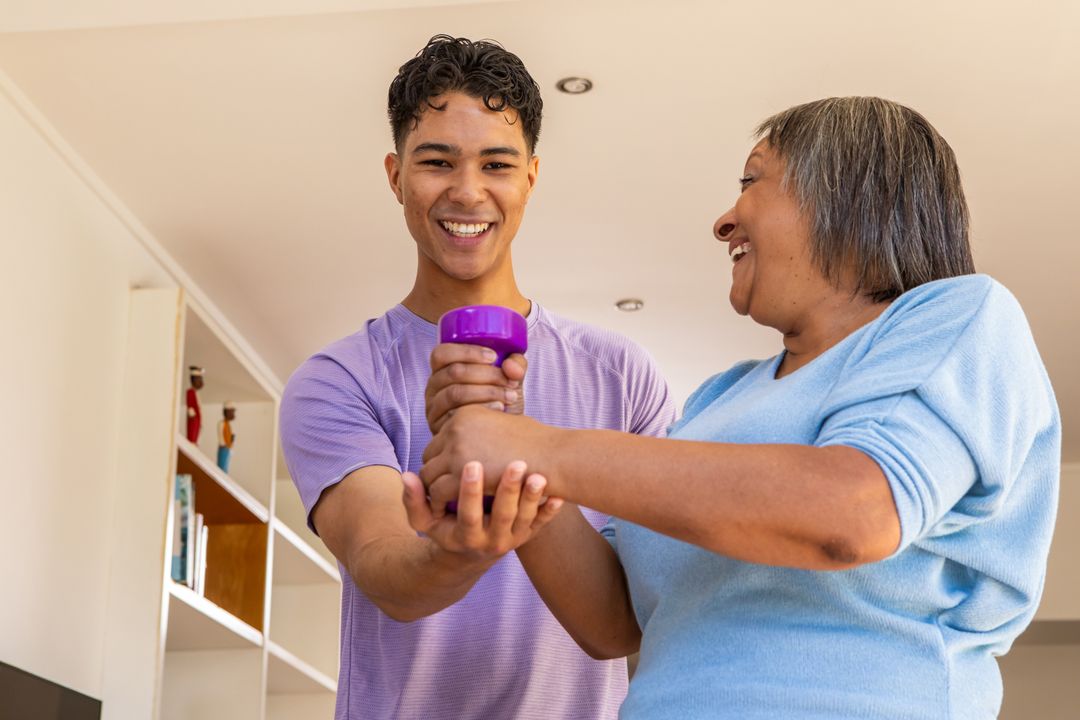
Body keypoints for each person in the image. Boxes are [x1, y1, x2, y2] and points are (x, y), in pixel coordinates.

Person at [419, 96, 1061, 719]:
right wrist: (510, 448)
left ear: (847, 195)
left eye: (752, 181)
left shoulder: (960, 316)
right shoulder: (718, 397)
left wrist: (543, 450)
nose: (723, 222)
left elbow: (853, 513)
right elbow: (614, 620)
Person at [279, 35, 674, 720]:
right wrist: (458, 551)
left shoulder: (623, 377)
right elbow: (385, 570)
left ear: (531, 178)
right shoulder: (338, 381)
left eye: (497, 164)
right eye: (437, 162)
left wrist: (521, 460)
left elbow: (631, 619)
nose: (467, 192)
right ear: (396, 176)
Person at [216, 401, 236, 473]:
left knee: (226, 468)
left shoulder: (227, 424)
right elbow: (221, 438)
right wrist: (225, 445)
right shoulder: (222, 423)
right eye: (231, 412)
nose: (233, 414)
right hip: (224, 448)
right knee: (222, 469)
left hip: (227, 449)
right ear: (227, 412)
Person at [185, 365, 203, 443]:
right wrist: (193, 418)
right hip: (194, 420)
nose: (201, 382)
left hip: (197, 420)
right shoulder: (190, 392)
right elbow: (190, 406)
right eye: (199, 379)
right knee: (192, 436)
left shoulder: (196, 393)